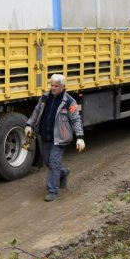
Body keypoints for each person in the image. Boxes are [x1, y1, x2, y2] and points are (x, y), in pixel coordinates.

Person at [26, 74, 85, 202]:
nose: (53, 88)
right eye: (51, 85)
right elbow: (36, 112)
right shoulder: (45, 97)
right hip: (45, 136)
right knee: (48, 162)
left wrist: (80, 137)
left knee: (53, 162)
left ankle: (52, 191)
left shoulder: (70, 102)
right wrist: (29, 124)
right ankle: (63, 173)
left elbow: (76, 120)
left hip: (60, 138)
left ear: (63, 86)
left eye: (56, 86)